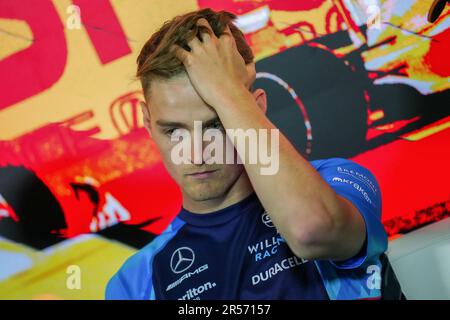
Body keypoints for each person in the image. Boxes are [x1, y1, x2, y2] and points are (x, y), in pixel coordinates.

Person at [105, 8, 394, 300]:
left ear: (251, 108)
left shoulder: (335, 183)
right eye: (173, 132)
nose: (194, 154)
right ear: (147, 122)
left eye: (215, 124)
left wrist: (228, 94)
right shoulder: (135, 282)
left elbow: (312, 230)